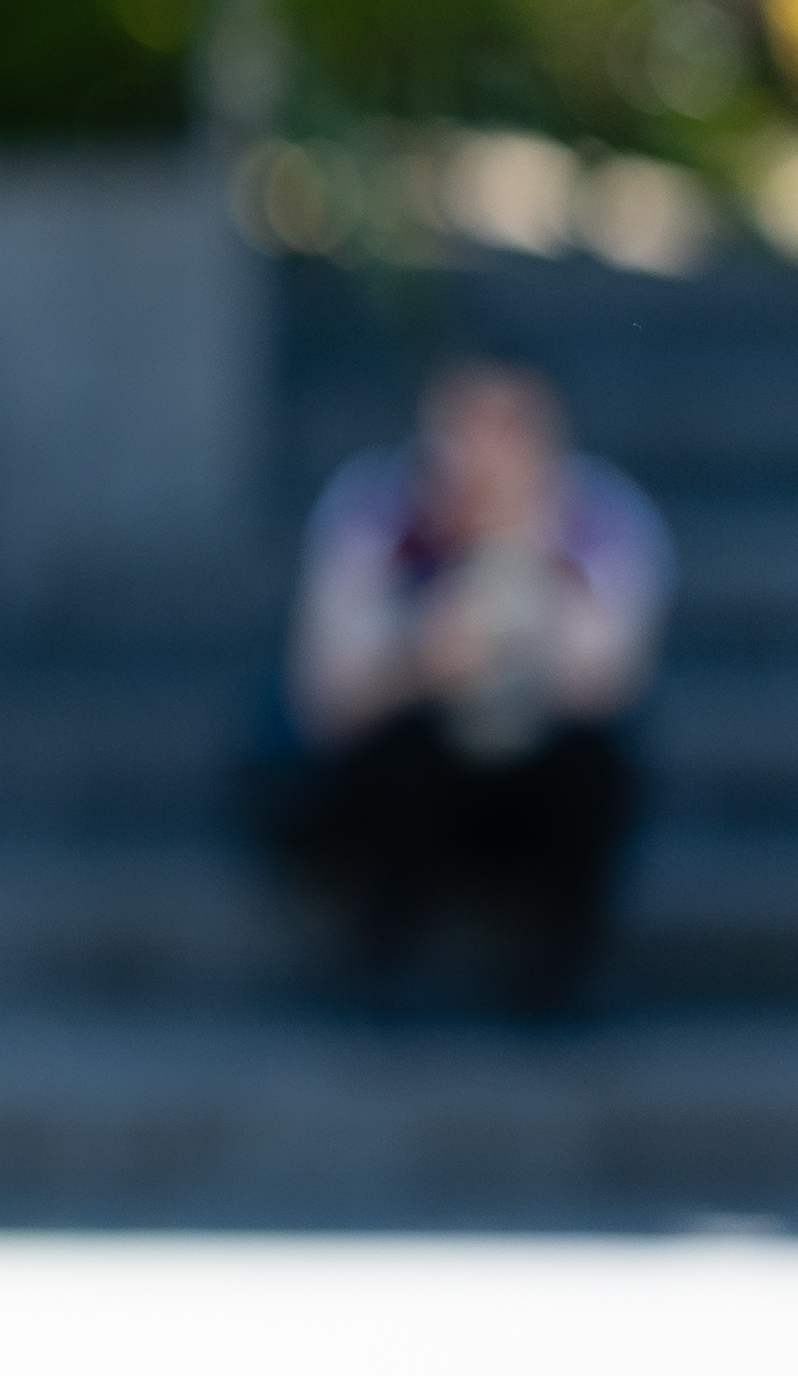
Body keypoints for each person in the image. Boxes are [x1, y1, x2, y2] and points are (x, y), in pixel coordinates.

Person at [267, 357, 671, 1020]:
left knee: (600, 764)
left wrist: (522, 564)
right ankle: (382, 953)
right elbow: (323, 700)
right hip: (409, 779)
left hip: (535, 777)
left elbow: (609, 685)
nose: (487, 453)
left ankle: (559, 967)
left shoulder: (605, 520)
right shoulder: (375, 513)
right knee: (398, 748)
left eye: (512, 427)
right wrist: (423, 657)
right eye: (468, 425)